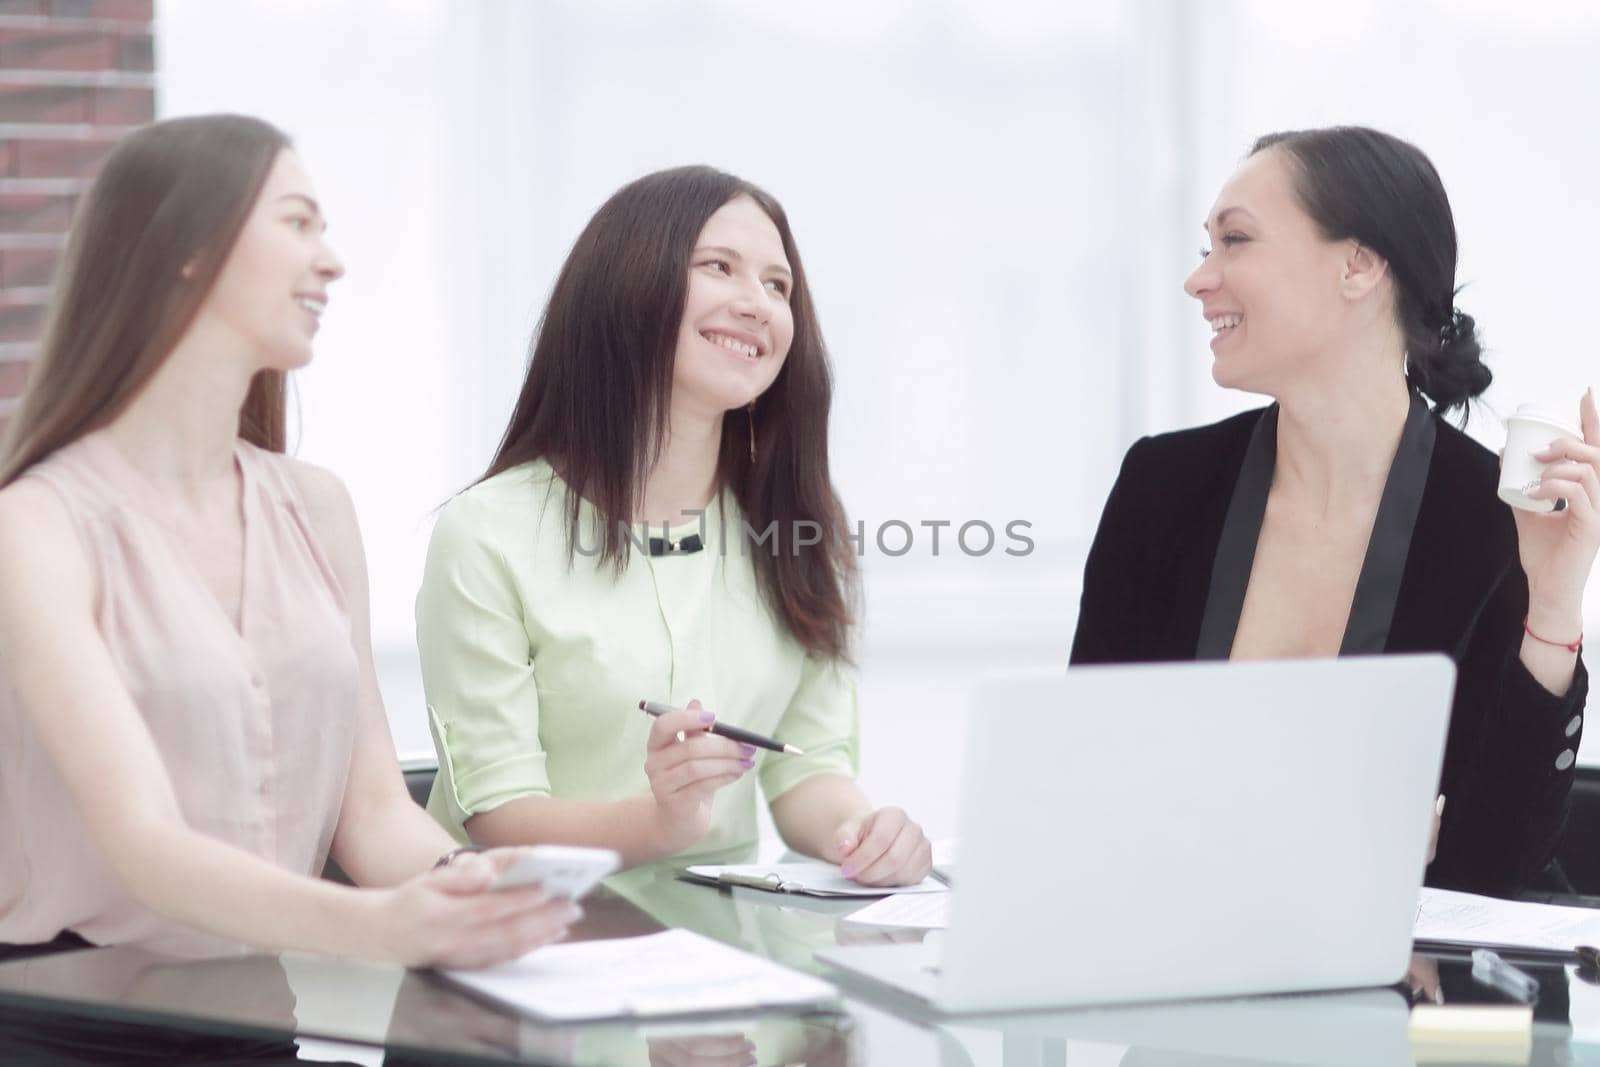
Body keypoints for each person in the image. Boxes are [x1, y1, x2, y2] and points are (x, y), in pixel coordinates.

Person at [0, 114, 578, 966]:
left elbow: (374, 809)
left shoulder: (317, 508)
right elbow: (144, 841)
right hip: (66, 1025)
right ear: (187, 248)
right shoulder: (36, 525)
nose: (333, 260)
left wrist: (472, 885)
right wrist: (385, 929)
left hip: (261, 1022)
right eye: (299, 222)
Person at [1071, 126, 1596, 898]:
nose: (1199, 278)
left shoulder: (1495, 519)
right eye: (1205, 245)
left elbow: (1492, 874)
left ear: (1358, 265)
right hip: (1187, 970)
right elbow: (1086, 788)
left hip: (1410, 1002)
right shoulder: (1164, 488)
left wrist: (1552, 605)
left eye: (1235, 240)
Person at [416, 165, 931, 886]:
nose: (758, 304)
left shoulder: (800, 524)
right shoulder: (486, 532)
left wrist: (863, 833)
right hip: (527, 925)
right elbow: (500, 813)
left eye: (779, 286)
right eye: (720, 267)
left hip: (724, 941)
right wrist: (662, 820)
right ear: (627, 289)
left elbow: (807, 769)